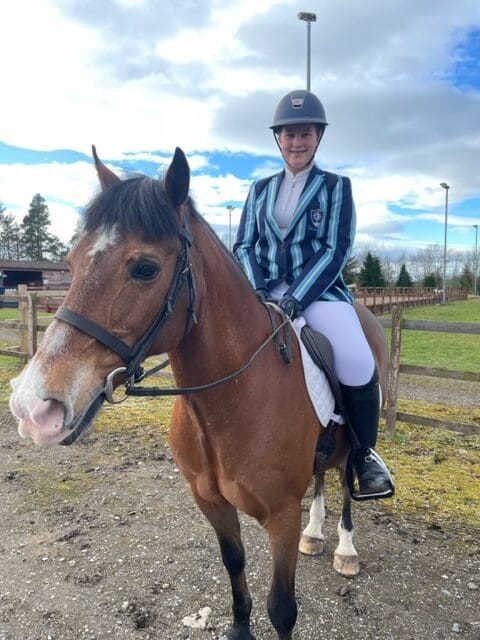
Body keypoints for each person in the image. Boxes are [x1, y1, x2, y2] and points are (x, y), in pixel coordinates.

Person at [233, 89, 394, 500]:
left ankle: (364, 456)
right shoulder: (259, 190)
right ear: (278, 139)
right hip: (263, 291)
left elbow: (334, 249)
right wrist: (258, 289)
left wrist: (296, 298)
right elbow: (245, 246)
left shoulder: (336, 187)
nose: (296, 142)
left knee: (358, 360)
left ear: (317, 137)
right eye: (289, 134)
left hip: (319, 293)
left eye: (304, 133)